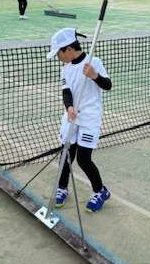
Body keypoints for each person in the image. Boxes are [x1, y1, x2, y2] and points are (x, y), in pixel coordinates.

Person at [46, 28, 112, 212]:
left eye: (58, 53)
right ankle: (62, 188)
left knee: (83, 159)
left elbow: (108, 85)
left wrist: (94, 75)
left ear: (67, 49)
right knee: (66, 154)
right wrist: (69, 107)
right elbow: (66, 91)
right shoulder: (66, 68)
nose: (58, 57)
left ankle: (101, 191)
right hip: (71, 117)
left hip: (90, 117)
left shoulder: (94, 62)